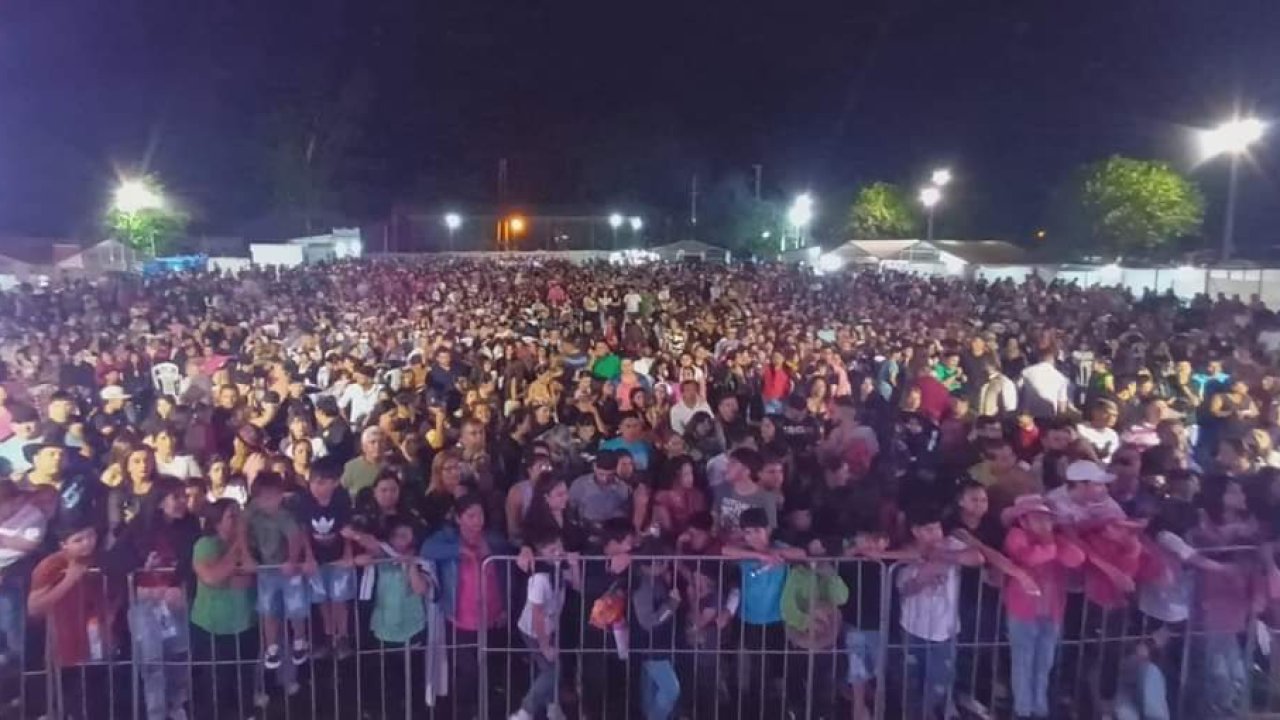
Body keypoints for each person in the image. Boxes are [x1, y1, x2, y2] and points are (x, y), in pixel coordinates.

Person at [108, 476, 200, 720]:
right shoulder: (139, 527)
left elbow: (194, 560)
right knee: (152, 661)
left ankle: (177, 704)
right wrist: (141, 566)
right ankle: (155, 713)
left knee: (180, 654)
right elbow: (112, 562)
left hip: (176, 600)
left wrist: (181, 587)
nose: (183, 502)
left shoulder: (191, 525)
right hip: (144, 604)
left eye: (184, 496)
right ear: (159, 501)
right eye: (176, 497)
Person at [419, 493, 511, 718]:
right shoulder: (447, 539)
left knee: (490, 670)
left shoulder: (494, 540)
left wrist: (506, 606)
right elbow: (426, 550)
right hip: (460, 618)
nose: (477, 521)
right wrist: (458, 551)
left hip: (492, 616)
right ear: (459, 518)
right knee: (466, 672)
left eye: (479, 515)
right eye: (470, 516)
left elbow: (508, 571)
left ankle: (486, 711)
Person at [1001, 494, 1086, 720]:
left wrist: (1059, 539)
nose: (1044, 523)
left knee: (1044, 662)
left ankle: (1040, 708)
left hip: (1052, 609)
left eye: (1046, 518)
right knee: (1023, 660)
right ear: (1023, 520)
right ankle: (1023, 710)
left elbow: (1076, 558)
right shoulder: (1015, 536)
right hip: (1023, 610)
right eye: (1037, 518)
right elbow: (1030, 557)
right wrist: (1050, 543)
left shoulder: (1055, 538)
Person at [895, 503, 983, 720]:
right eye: (928, 530)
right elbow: (903, 588)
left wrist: (943, 557)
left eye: (937, 528)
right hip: (913, 630)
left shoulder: (951, 545)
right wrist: (922, 578)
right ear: (915, 531)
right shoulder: (907, 553)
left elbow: (977, 558)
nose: (935, 534)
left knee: (938, 688)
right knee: (911, 687)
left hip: (944, 632)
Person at [27, 515, 111, 718]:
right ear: (63, 544)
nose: (86, 544)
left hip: (96, 640)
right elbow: (34, 607)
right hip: (63, 642)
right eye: (78, 540)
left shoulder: (102, 559)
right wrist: (68, 580)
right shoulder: (51, 565)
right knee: (69, 698)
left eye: (90, 536)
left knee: (97, 698)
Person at [190, 499, 258, 720]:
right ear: (217, 522)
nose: (239, 521)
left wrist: (242, 543)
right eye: (232, 516)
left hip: (244, 623)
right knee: (215, 684)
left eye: (240, 515)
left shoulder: (249, 543)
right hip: (213, 626)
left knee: (244, 679)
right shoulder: (205, 544)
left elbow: (247, 576)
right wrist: (236, 546)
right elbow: (212, 577)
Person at [244, 472, 313, 669]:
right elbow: (241, 528)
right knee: (267, 609)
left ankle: (299, 641)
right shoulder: (252, 512)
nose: (270, 501)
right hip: (266, 568)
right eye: (264, 497)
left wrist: (292, 561)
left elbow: (295, 537)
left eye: (274, 496)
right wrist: (247, 556)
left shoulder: (285, 514)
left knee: (296, 606)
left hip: (289, 568)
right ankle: (271, 647)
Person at [511, 526, 577, 720]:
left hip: (551, 626)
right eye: (551, 550)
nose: (558, 553)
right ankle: (525, 711)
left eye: (559, 547)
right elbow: (537, 614)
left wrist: (574, 565)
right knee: (552, 670)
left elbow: (577, 585)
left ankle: (552, 706)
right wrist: (544, 645)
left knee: (553, 668)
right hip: (533, 630)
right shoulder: (540, 578)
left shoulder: (559, 569)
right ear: (540, 554)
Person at [293, 457, 356, 659]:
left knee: (339, 597)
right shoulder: (304, 500)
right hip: (315, 555)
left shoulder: (342, 499)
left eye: (321, 482)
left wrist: (348, 554)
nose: (316, 487)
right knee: (321, 597)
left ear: (335, 482)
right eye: (313, 482)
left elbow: (346, 529)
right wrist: (309, 557)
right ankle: (329, 635)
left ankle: (343, 635)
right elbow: (303, 531)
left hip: (337, 554)